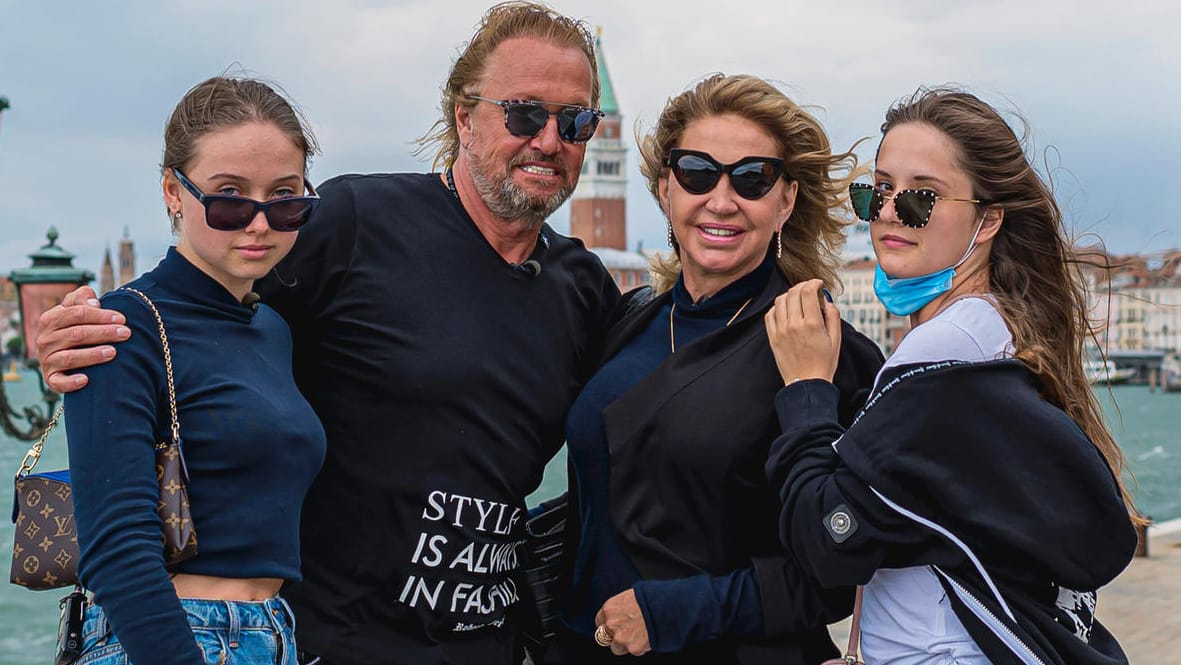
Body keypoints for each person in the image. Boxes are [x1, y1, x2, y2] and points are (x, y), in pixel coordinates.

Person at [35, 4, 619, 665]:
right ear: (464, 118)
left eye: (573, 122)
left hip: (487, 644)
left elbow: (660, 412)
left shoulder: (586, 288)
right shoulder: (353, 222)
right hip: (319, 641)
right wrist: (94, 331)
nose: (547, 139)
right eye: (523, 114)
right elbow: (207, 293)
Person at [763, 87, 1139, 664]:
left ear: (987, 221)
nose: (889, 212)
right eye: (878, 192)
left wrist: (807, 389)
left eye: (922, 198)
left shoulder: (944, 354)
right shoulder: (1001, 335)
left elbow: (826, 538)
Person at [546, 74, 884, 665]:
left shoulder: (824, 348)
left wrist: (675, 612)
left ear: (786, 201)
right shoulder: (629, 323)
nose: (721, 200)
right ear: (665, 189)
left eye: (752, 179)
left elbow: (840, 570)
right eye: (698, 173)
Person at [65, 76, 327, 665]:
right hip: (171, 639)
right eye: (229, 197)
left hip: (277, 634)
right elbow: (116, 550)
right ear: (172, 191)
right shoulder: (122, 326)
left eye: (284, 199)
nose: (258, 223)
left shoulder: (272, 330)